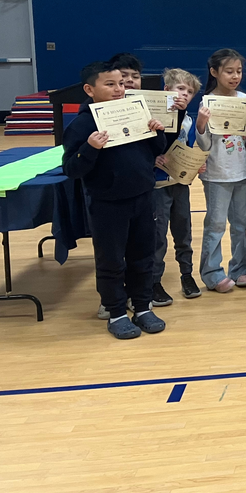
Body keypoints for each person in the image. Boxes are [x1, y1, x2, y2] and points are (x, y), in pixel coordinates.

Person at [62, 61, 167, 339]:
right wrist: (90, 147)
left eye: (121, 83)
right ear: (89, 89)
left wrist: (158, 131)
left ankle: (142, 307)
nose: (119, 89)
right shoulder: (81, 124)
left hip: (143, 197)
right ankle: (116, 312)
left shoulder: (135, 112)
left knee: (143, 256)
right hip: (108, 203)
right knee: (111, 260)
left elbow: (156, 151)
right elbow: (72, 168)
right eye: (110, 84)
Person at [195, 48, 246, 292]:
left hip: (241, 172)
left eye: (238, 71)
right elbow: (205, 145)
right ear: (214, 72)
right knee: (215, 225)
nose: (235, 76)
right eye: (229, 71)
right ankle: (212, 273)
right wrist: (200, 124)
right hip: (217, 174)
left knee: (241, 224)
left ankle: (240, 269)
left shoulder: (244, 100)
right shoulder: (207, 103)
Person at [151, 68, 203, 306]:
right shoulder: (156, 118)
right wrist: (152, 157)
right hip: (158, 185)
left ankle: (187, 275)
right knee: (158, 236)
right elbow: (150, 146)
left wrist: (195, 164)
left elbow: (187, 146)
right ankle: (154, 282)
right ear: (166, 91)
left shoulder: (189, 120)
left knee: (184, 232)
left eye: (189, 91)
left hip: (180, 183)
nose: (185, 94)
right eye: (180, 88)